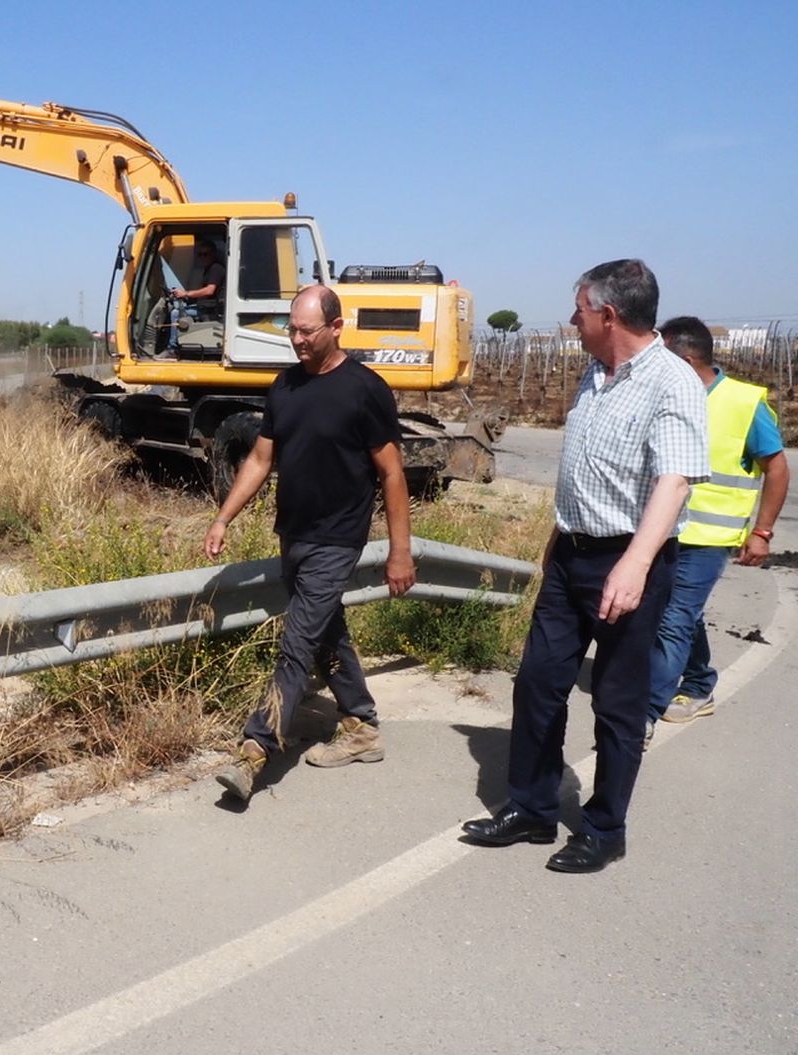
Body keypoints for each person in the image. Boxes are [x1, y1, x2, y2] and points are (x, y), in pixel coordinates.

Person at [463, 259, 708, 874]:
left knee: (617, 704)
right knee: (538, 684)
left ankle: (605, 828)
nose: (572, 318)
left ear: (609, 314)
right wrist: (556, 537)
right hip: (571, 553)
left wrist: (635, 563)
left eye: (579, 308)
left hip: (629, 561)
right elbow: (587, 473)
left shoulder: (671, 382)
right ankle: (533, 809)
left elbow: (673, 484)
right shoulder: (594, 374)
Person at [206, 284, 416, 802]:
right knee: (325, 633)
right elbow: (259, 460)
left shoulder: (365, 389)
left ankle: (254, 751)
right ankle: (361, 725)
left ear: (336, 328)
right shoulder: (285, 387)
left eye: (307, 331)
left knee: (296, 645)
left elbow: (391, 474)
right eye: (292, 330)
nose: (297, 340)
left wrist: (400, 550)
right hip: (293, 535)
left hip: (337, 539)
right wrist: (223, 517)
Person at [647, 315, 789, 735]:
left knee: (672, 621)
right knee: (678, 617)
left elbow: (777, 470)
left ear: (688, 361)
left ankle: (642, 716)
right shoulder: (666, 396)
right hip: (662, 531)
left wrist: (761, 533)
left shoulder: (743, 403)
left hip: (708, 538)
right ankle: (700, 684)